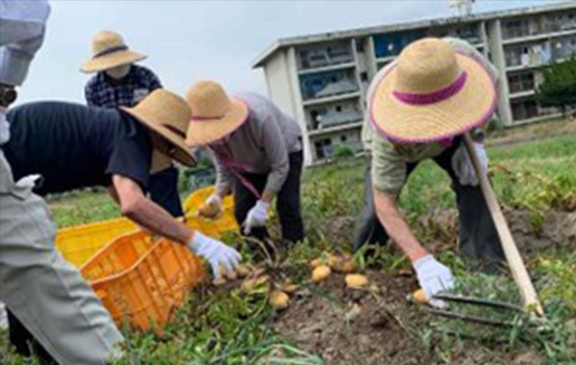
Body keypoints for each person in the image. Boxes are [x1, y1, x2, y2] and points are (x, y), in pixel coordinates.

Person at [2, 89, 242, 364]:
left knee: (19, 258)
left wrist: (157, 229)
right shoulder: (133, 138)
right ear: (161, 139)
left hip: (13, 162)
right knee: (34, 261)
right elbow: (132, 203)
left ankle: (25, 346)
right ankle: (54, 350)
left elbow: (118, 192)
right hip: (7, 163)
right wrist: (198, 241)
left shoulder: (116, 128)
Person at [359, 37, 504, 306]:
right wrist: (421, 259)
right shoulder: (387, 134)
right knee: (373, 216)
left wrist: (478, 140)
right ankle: (369, 265)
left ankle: (485, 267)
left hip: (458, 130)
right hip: (404, 142)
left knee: (475, 185)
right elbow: (385, 203)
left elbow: (493, 86)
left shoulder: (462, 58)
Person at [186, 80, 305, 249]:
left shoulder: (260, 118)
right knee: (242, 211)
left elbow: (280, 166)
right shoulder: (211, 137)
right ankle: (263, 255)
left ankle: (296, 250)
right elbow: (224, 170)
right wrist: (217, 197)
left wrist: (263, 205)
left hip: (287, 152)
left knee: (287, 206)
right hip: (250, 164)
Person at [82, 30, 184, 217]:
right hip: (121, 150)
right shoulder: (93, 88)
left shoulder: (146, 77)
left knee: (168, 203)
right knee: (140, 209)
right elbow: (97, 126)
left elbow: (163, 110)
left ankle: (178, 240)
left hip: (153, 143)